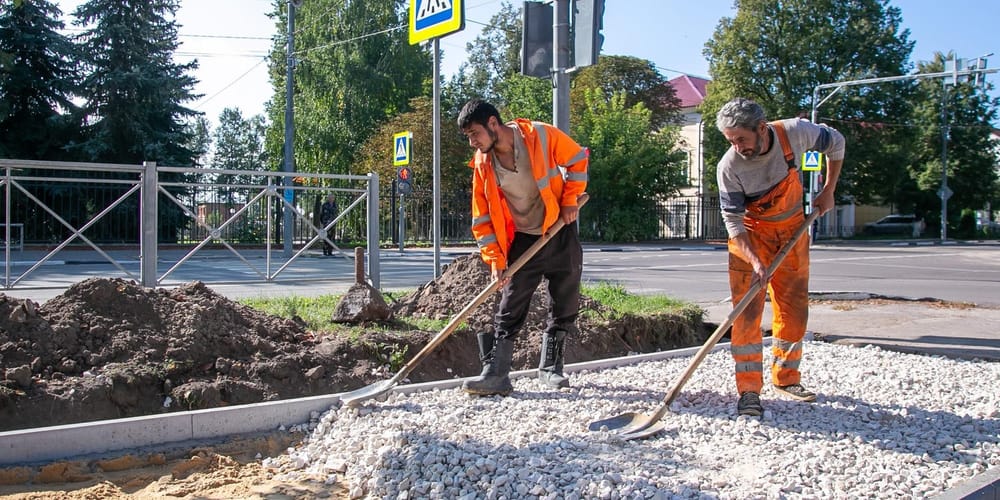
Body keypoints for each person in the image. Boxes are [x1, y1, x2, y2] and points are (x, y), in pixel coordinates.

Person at [715, 97, 845, 416]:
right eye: (731, 141)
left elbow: (837, 143)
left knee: (794, 307)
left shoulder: (795, 132)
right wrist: (755, 260)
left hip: (792, 230)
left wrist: (828, 190)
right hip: (750, 235)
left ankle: (786, 378)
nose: (737, 146)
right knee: (746, 313)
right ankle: (748, 390)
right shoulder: (729, 166)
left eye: (742, 139)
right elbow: (732, 221)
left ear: (762, 128)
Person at [456, 99, 589, 396]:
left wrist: (569, 202)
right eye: (468, 137)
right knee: (510, 304)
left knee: (564, 301)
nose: (472, 142)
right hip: (524, 238)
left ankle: (550, 369)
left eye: (474, 134)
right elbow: (482, 216)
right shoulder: (483, 162)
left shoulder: (540, 135)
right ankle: (496, 374)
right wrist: (494, 259)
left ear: (493, 123)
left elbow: (578, 160)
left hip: (559, 230)